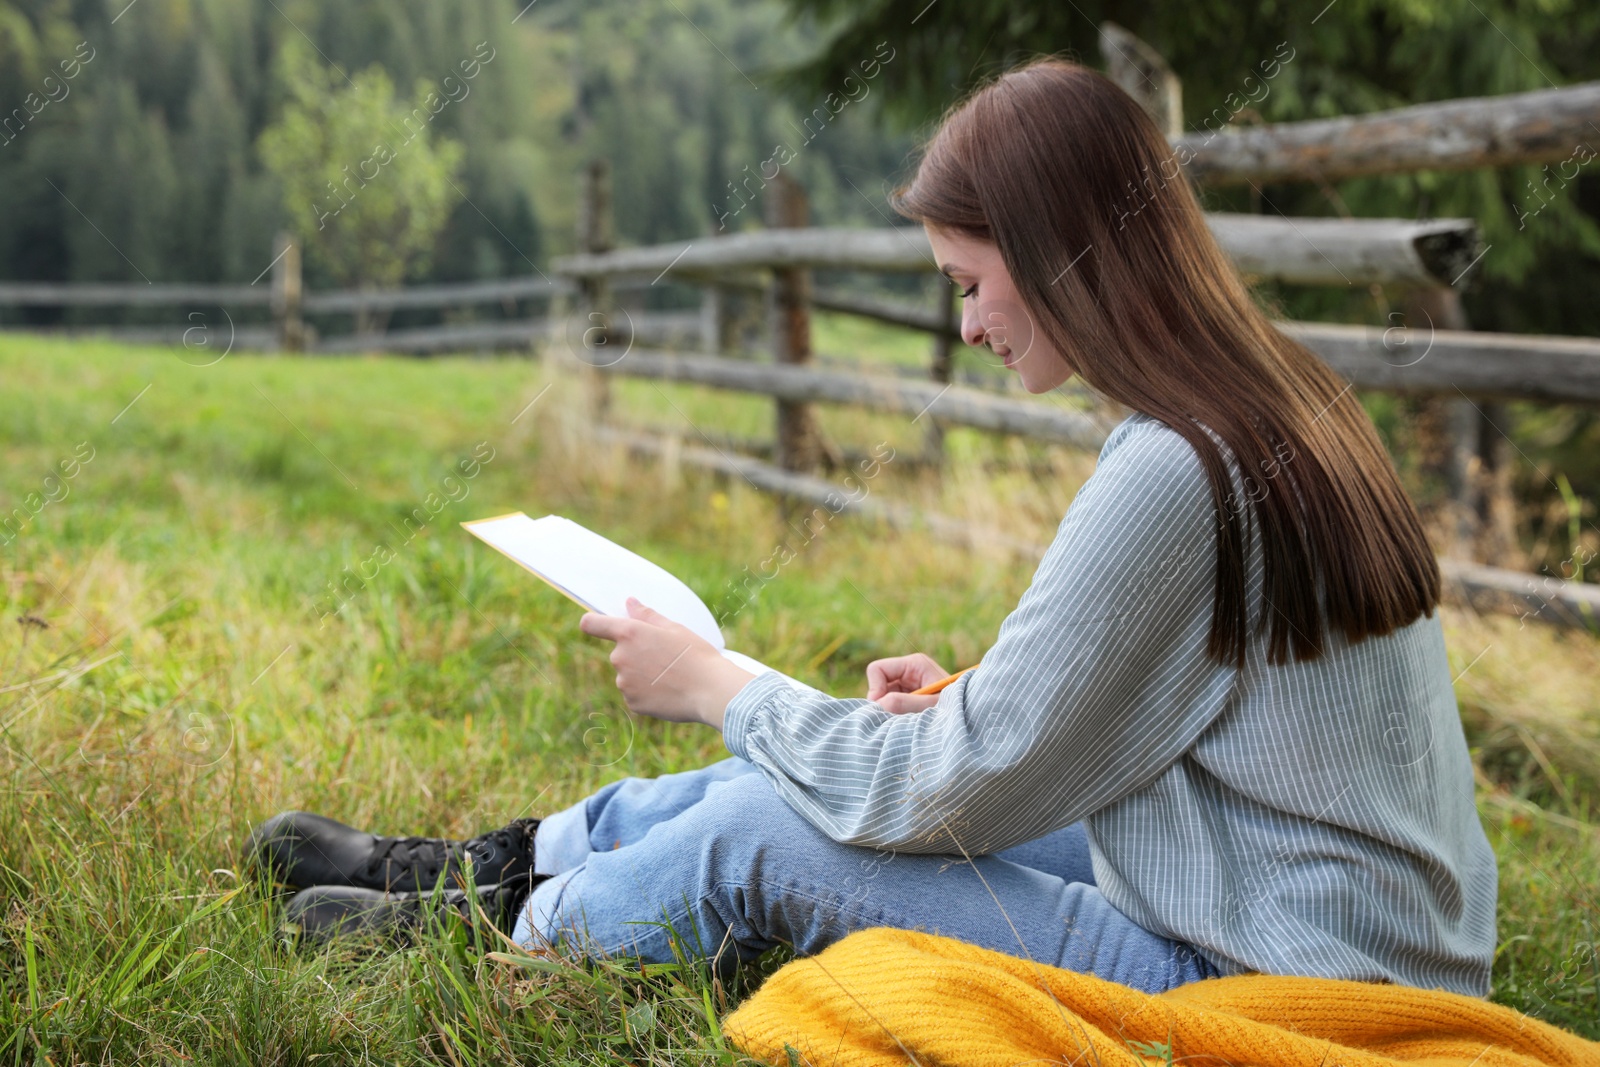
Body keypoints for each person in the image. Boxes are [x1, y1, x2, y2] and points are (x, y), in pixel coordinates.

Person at [248, 55, 1497, 997]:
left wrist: (717, 682)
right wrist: (963, 695)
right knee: (811, 761)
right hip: (1302, 908)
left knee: (773, 818)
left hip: (1288, 988)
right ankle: (504, 863)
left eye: (968, 282)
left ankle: (502, 944)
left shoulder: (1181, 464)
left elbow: (947, 783)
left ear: (1066, 253)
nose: (965, 325)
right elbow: (1199, 700)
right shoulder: (1268, 401)